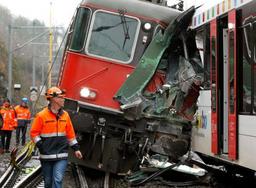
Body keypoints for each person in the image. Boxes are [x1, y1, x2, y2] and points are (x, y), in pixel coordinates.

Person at [30, 86, 83, 188]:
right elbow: (34, 133)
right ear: (54, 99)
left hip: (61, 155)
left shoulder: (65, 115)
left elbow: (70, 134)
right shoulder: (41, 115)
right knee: (48, 182)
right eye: (61, 97)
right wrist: (41, 145)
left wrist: (76, 149)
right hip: (47, 155)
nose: (63, 99)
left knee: (57, 179)